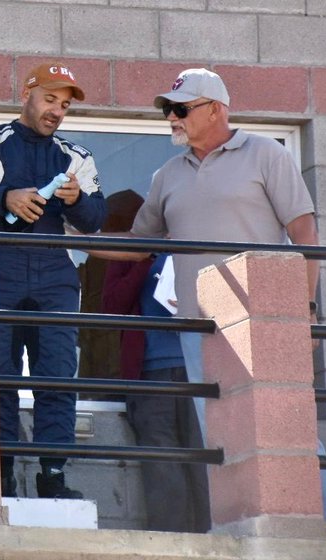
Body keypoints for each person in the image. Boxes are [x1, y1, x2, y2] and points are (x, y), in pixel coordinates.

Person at [105, 67, 326, 533]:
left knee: (285, 432)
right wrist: (71, 236)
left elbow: (305, 233)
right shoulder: (166, 175)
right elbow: (140, 243)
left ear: (217, 110)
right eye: (169, 109)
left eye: (182, 109)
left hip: (260, 323)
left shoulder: (266, 153)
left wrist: (302, 312)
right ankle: (240, 527)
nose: (172, 117)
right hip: (198, 331)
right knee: (217, 435)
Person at [0, 63, 106, 499]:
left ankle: (53, 478)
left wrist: (76, 201)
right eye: (50, 99)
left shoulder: (78, 157)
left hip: (55, 276)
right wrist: (3, 198)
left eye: (65, 105)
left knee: (57, 378)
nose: (57, 111)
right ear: (27, 94)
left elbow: (96, 221)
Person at [99, 190, 209, 533]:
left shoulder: (200, 243)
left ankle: (213, 536)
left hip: (201, 371)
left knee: (206, 462)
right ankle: (172, 542)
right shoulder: (133, 250)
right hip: (151, 371)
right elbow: (111, 306)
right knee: (162, 464)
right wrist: (142, 259)